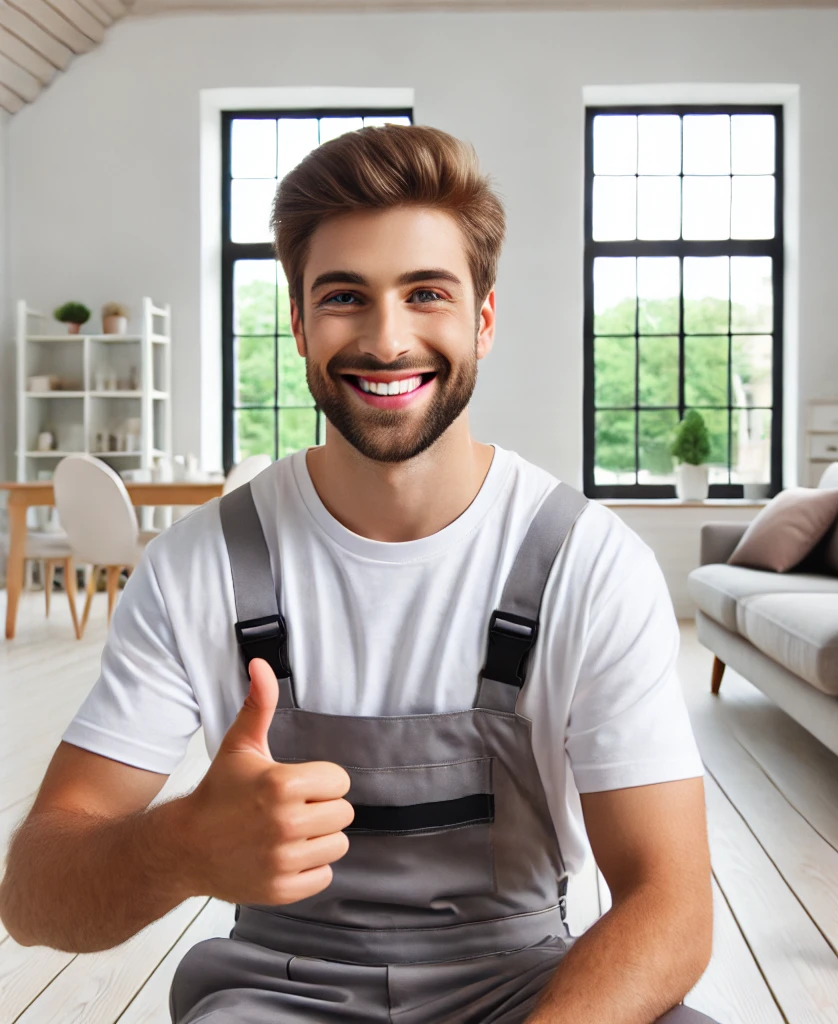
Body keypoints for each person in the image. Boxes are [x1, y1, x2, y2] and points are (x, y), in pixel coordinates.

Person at [0, 124, 716, 1024]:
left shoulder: (590, 563)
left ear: (482, 320)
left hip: (528, 992)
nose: (387, 339)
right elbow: (32, 895)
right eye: (345, 296)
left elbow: (672, 906)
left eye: (426, 293)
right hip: (272, 996)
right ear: (298, 323)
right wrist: (178, 846)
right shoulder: (199, 567)